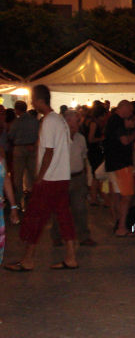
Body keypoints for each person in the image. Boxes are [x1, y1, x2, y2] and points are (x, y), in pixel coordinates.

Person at [5, 85, 78, 272]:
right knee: (63, 216)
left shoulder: (48, 121)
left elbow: (49, 151)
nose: (32, 103)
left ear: (38, 100)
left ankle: (28, 259)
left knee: (35, 217)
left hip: (50, 179)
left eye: (33, 99)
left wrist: (40, 176)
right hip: (61, 176)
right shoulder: (59, 120)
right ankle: (70, 257)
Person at [51, 110, 96, 247]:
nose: (76, 125)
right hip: (61, 178)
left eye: (78, 122)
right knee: (60, 209)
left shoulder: (80, 138)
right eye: (74, 122)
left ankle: (83, 236)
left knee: (80, 208)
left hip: (77, 177)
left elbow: (84, 158)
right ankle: (57, 236)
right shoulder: (57, 139)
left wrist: (87, 178)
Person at [104, 100, 135, 237]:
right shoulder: (117, 121)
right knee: (127, 196)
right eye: (130, 111)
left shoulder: (112, 120)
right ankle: (122, 226)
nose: (130, 114)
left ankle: (118, 223)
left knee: (117, 195)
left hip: (112, 163)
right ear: (124, 108)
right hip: (121, 164)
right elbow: (124, 140)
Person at [8, 100, 39, 210]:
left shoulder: (16, 122)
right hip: (32, 148)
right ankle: (36, 199)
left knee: (18, 177)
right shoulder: (34, 121)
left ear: (17, 109)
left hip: (19, 149)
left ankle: (18, 202)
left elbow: (11, 136)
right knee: (33, 175)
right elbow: (39, 134)